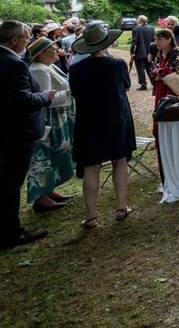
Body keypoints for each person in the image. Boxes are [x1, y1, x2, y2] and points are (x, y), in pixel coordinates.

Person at [68, 23, 136, 229]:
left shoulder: (76, 69)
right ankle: (121, 207)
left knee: (91, 166)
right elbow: (125, 86)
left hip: (89, 119)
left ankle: (91, 216)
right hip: (116, 117)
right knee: (120, 160)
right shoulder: (117, 65)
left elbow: (75, 92)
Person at [0, 21, 55, 248]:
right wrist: (45, 96)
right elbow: (22, 100)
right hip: (15, 131)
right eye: (24, 37)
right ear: (14, 40)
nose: (27, 42)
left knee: (6, 182)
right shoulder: (14, 64)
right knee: (11, 184)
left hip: (5, 129)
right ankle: (11, 233)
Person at [25, 38, 76, 213]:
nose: (57, 50)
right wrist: (71, 92)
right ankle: (41, 198)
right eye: (52, 48)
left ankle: (49, 190)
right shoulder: (39, 70)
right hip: (48, 121)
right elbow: (47, 98)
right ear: (42, 53)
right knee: (44, 156)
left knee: (56, 155)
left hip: (58, 117)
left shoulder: (48, 66)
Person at [130, 15, 154, 91]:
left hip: (139, 52)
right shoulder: (151, 28)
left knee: (140, 69)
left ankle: (143, 84)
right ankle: (154, 83)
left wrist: (132, 52)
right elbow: (153, 40)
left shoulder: (136, 29)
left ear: (139, 21)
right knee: (149, 67)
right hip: (149, 51)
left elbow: (134, 42)